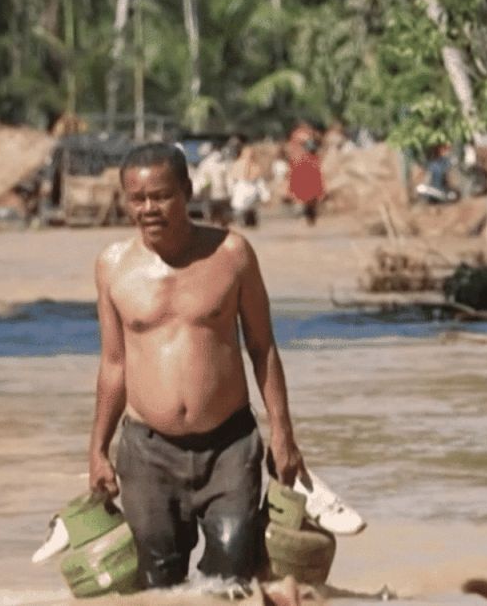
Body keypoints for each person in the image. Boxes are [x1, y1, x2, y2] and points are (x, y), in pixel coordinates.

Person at [88, 142, 306, 590]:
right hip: (147, 451)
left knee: (230, 578)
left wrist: (283, 433)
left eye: (161, 196)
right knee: (158, 583)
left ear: (187, 192)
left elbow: (262, 347)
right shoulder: (112, 267)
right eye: (137, 199)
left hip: (229, 445)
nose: (149, 208)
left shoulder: (232, 254)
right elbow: (113, 364)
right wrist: (97, 450)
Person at [285, 124, 324, 226]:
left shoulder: (299, 140)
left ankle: (306, 211)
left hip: (305, 172)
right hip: (304, 172)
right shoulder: (304, 139)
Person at [192, 140, 233, 227]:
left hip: (210, 196)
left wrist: (197, 193)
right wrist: (231, 193)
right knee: (223, 219)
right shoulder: (225, 163)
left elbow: (201, 181)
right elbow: (230, 180)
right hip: (224, 196)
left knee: (211, 219)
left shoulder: (205, 164)